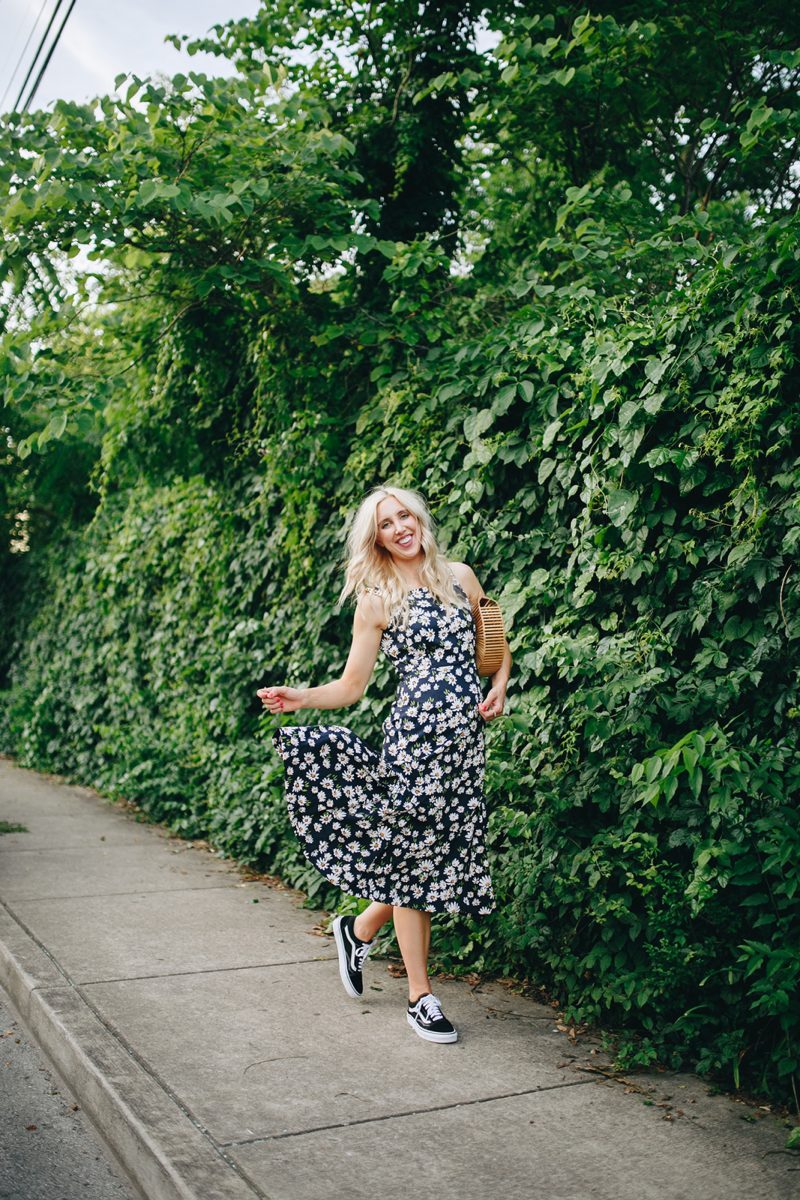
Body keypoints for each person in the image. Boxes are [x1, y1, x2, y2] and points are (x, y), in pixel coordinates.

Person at [257, 484, 511, 1043]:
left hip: (465, 748)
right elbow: (352, 686)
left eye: (404, 516)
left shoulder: (461, 577)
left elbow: (495, 645)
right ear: (376, 540)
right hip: (413, 745)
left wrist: (498, 687)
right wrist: (301, 697)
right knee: (415, 866)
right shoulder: (377, 600)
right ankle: (421, 997)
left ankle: (359, 926)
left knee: (432, 856)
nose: (400, 527)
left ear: (419, 518)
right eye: (386, 524)